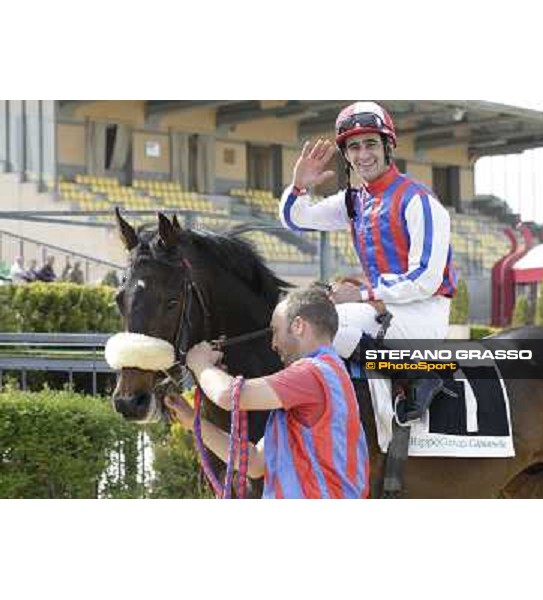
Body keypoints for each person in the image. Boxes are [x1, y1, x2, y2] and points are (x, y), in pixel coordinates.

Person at [279, 101, 457, 451]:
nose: (363, 154)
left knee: (328, 323)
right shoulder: (353, 201)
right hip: (383, 308)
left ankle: (421, 376)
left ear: (388, 146)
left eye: (371, 144)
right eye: (354, 147)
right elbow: (296, 219)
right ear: (346, 155)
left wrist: (362, 295)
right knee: (304, 317)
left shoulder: (419, 200)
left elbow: (426, 279)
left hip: (423, 312)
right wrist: (299, 186)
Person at [166, 287, 370, 499]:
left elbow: (228, 395)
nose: (273, 343)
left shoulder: (313, 373)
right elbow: (253, 462)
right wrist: (192, 420)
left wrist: (200, 363)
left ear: (298, 326)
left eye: (275, 330)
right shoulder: (322, 378)